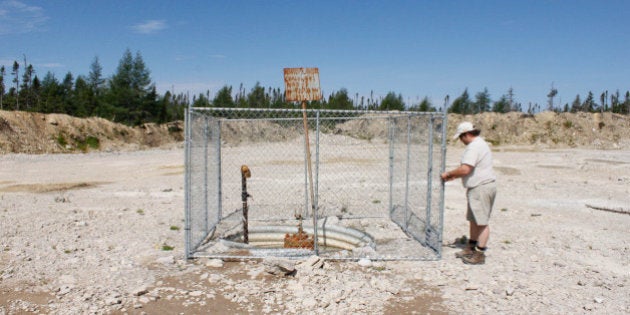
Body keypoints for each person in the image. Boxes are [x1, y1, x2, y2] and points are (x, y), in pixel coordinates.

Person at [441, 122, 497, 265]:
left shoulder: (474, 147)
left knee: (482, 221)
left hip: (481, 187)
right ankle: (471, 247)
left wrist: (449, 173)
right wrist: (455, 175)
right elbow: (469, 170)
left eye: (461, 137)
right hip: (478, 187)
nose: (461, 141)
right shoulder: (479, 144)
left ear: (466, 134)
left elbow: (466, 169)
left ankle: (479, 253)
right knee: (474, 219)